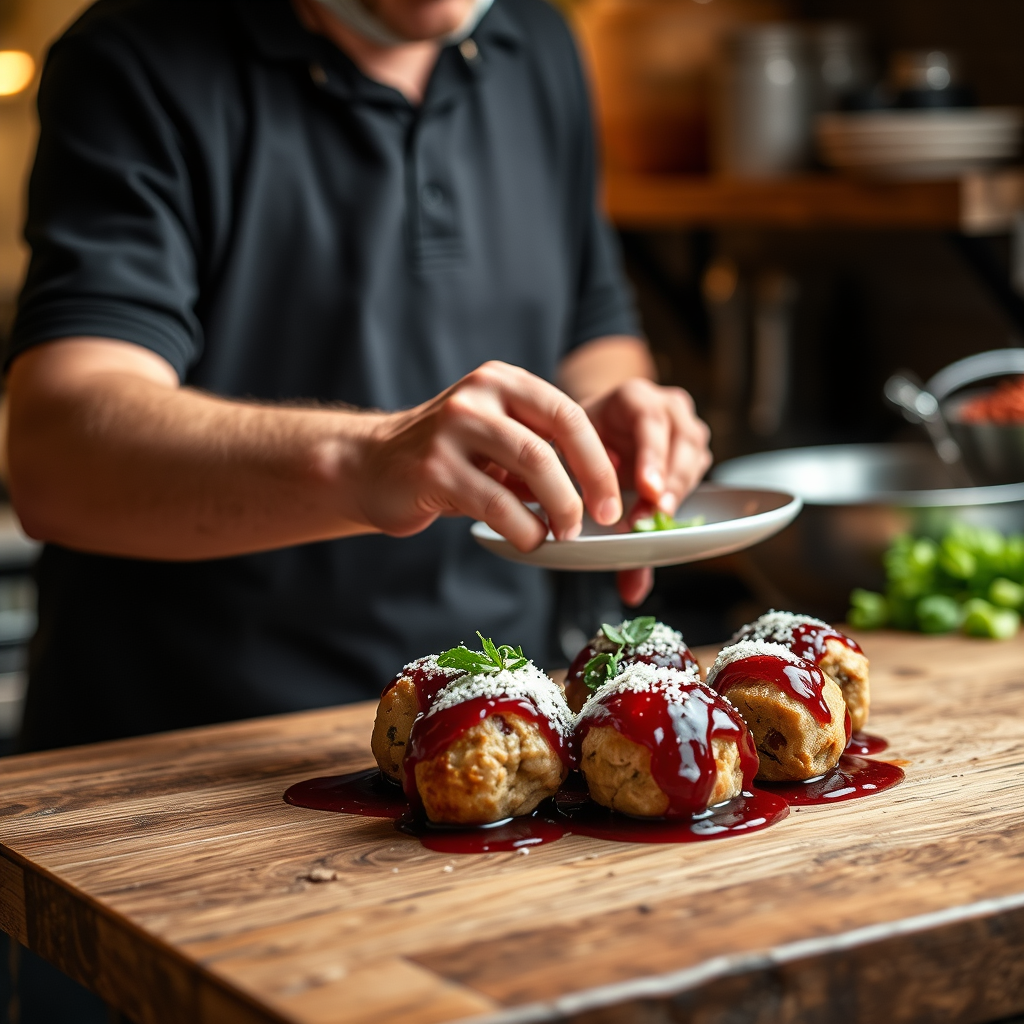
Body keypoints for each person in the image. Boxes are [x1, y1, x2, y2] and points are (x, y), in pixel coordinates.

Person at [4, 0, 711, 755]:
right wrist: (367, 459)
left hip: (504, 729)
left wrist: (605, 422)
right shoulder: (135, 55)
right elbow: (56, 456)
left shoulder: (539, 41)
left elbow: (594, 332)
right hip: (192, 748)